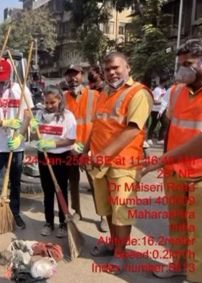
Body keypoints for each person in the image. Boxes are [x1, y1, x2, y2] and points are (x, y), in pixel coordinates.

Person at [86, 52, 152, 275]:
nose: (111, 72)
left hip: (124, 164)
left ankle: (121, 254)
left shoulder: (138, 93)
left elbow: (133, 129)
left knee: (121, 211)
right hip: (100, 161)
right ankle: (114, 244)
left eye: (116, 68)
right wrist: (86, 150)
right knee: (107, 209)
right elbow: (97, 126)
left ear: (127, 67)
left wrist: (102, 154)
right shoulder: (104, 92)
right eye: (107, 70)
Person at [144, 39, 202, 283]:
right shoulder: (177, 91)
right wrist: (167, 164)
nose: (182, 69)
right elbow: (170, 128)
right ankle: (178, 265)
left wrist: (160, 160)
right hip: (176, 172)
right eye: (180, 64)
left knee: (198, 233)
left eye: (188, 64)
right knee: (177, 226)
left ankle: (196, 277)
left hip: (200, 176)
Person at [0, 59, 33, 229]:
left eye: (4, 77)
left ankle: (15, 213)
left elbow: (27, 115)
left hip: (15, 145)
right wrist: (4, 123)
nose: (1, 81)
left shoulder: (21, 89)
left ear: (10, 73)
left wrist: (19, 135)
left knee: (15, 181)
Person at [63, 64, 107, 232]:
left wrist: (90, 147)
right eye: (69, 75)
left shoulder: (94, 95)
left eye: (76, 75)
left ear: (82, 76)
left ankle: (102, 215)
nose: (73, 78)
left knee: (96, 182)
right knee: (73, 181)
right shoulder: (64, 97)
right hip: (71, 147)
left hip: (90, 147)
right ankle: (77, 211)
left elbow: (100, 123)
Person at [31, 85, 76, 238]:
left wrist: (54, 144)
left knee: (61, 190)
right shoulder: (40, 115)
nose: (49, 106)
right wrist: (33, 130)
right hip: (44, 156)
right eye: (46, 103)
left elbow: (71, 139)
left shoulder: (67, 116)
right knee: (48, 191)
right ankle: (48, 222)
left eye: (52, 103)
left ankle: (63, 223)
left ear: (59, 100)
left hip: (61, 157)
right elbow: (36, 137)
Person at [146, 78, 168, 145]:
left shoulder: (164, 89)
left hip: (162, 110)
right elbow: (154, 101)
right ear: (164, 81)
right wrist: (163, 102)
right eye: (167, 81)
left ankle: (160, 139)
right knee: (154, 124)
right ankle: (149, 138)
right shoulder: (157, 90)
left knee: (165, 124)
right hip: (155, 110)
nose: (168, 82)